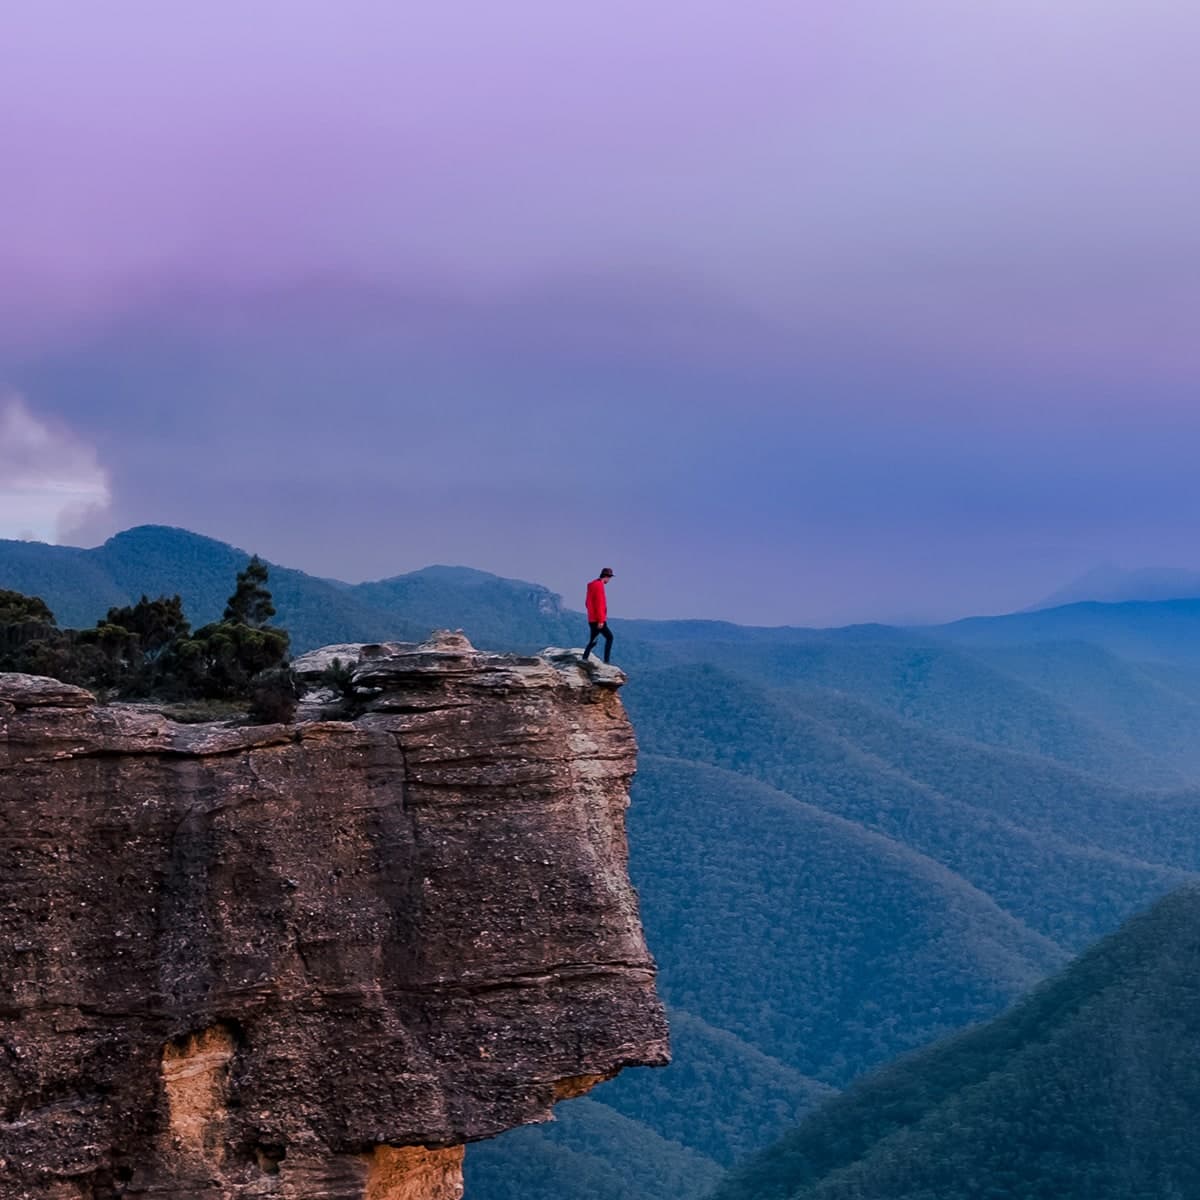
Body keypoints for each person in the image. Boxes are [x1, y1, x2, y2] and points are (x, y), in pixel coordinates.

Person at [583, 567, 614, 663]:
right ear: (607, 577)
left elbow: (587, 603)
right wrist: (601, 620)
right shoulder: (599, 586)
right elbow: (599, 604)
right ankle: (606, 661)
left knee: (593, 640)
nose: (609, 580)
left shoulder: (592, 585)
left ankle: (584, 658)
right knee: (610, 637)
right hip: (598, 619)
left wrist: (591, 615)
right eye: (610, 578)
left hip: (591, 618)